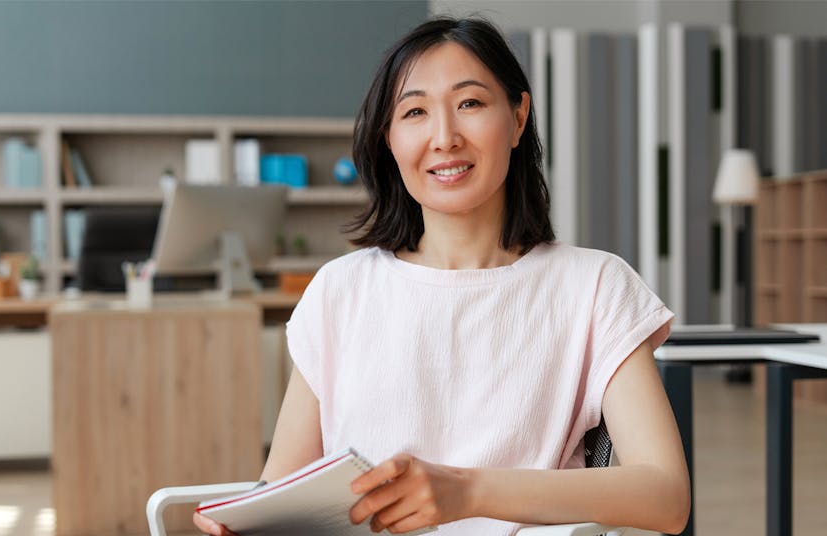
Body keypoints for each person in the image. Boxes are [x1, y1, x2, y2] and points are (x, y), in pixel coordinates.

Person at [194, 16, 689, 536]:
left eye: (470, 103)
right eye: (414, 112)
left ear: (519, 117)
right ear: (388, 139)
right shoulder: (340, 292)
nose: (444, 137)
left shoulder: (595, 287)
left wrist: (467, 492)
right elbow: (284, 493)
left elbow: (666, 495)